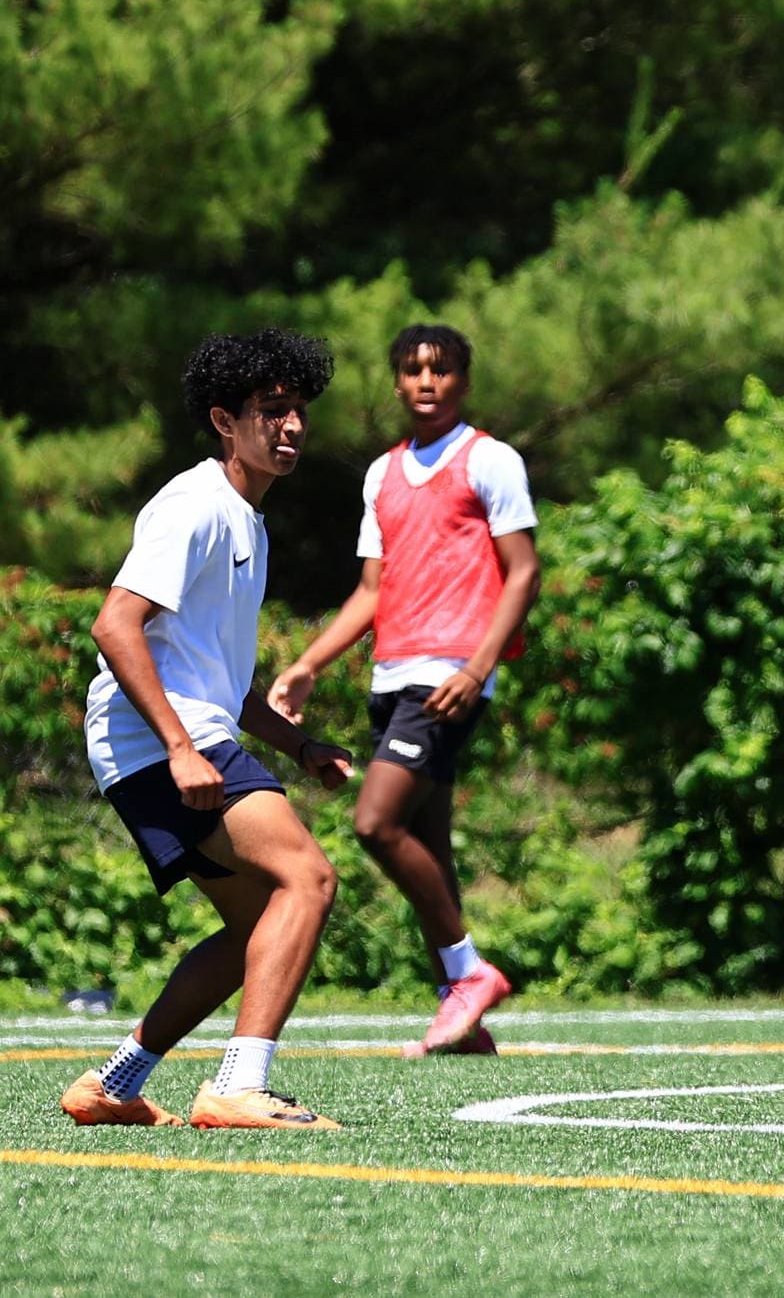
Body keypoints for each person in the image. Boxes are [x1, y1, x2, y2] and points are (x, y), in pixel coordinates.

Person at [63, 329, 353, 1131]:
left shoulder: (247, 521)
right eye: (271, 409)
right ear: (225, 420)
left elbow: (220, 679)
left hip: (172, 736)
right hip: (157, 740)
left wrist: (300, 745)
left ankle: (114, 1083)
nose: (292, 425)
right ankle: (238, 1086)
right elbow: (114, 625)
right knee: (309, 878)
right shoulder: (195, 505)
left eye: (299, 409)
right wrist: (182, 748)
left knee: (258, 925)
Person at [268, 326, 537, 1056]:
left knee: (375, 823)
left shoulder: (490, 460)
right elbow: (371, 592)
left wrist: (476, 667)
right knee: (429, 846)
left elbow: (523, 572)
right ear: (396, 383)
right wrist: (309, 664)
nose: (426, 380)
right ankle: (463, 1017)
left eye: (441, 369)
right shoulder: (382, 474)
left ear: (463, 382)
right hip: (391, 677)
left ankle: (470, 974)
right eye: (413, 369)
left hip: (449, 678)